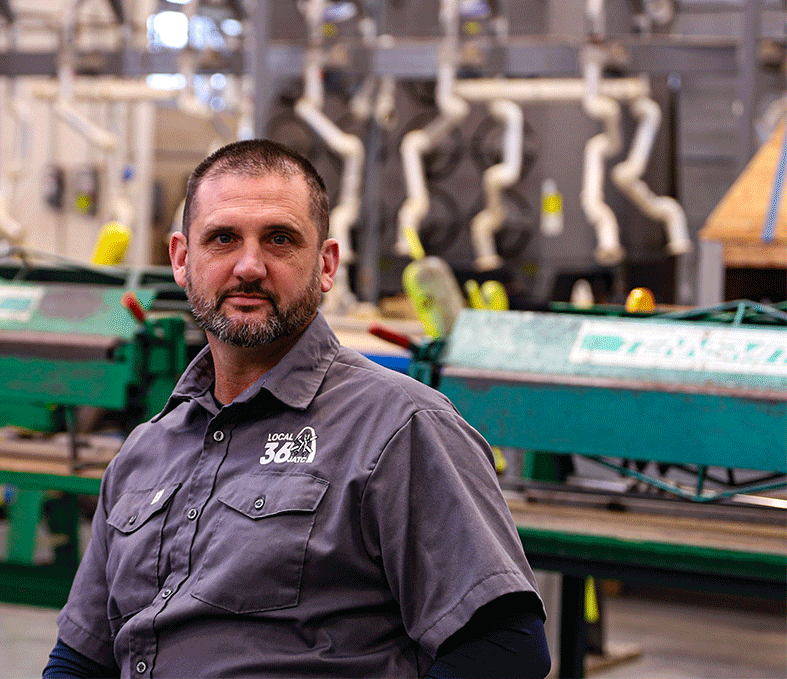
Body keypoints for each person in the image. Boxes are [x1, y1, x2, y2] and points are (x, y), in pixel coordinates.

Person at [45, 139, 550, 678]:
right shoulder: (145, 450)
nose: (249, 266)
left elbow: (505, 650)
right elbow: (79, 659)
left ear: (326, 265)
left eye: (280, 240)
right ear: (182, 260)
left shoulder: (400, 429)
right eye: (223, 238)